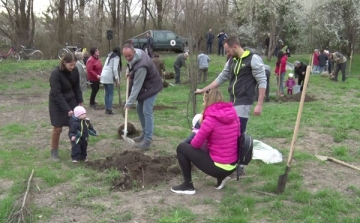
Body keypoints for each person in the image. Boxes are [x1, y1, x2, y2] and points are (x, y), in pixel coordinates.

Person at [171, 89, 240, 195]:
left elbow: (195, 144)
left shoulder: (210, 120)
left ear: (208, 102)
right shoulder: (234, 116)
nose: (203, 104)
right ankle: (221, 179)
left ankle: (188, 185)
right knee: (219, 146)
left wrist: (197, 133)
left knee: (182, 148)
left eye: (204, 101)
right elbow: (236, 137)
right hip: (232, 165)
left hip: (219, 168)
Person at [195, 36, 267, 135]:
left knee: (238, 132)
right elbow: (220, 78)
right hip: (233, 100)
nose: (227, 54)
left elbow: (262, 81)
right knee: (232, 132)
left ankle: (241, 149)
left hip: (244, 100)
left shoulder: (253, 59)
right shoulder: (231, 61)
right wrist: (203, 90)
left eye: (228, 51)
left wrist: (259, 104)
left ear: (235, 47)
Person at [122, 43, 163, 150]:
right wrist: (128, 71)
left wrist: (129, 103)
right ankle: (144, 134)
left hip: (152, 87)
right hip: (145, 87)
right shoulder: (135, 54)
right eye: (125, 56)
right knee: (139, 109)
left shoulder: (141, 66)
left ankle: (147, 140)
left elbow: (136, 86)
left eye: (129, 56)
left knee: (146, 110)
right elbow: (130, 65)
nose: (127, 58)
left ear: (133, 52)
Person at [49, 53, 83, 160]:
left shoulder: (75, 71)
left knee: (74, 126)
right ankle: (54, 151)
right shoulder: (56, 74)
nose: (73, 67)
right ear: (64, 62)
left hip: (71, 100)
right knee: (57, 127)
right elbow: (57, 93)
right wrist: (67, 109)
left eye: (74, 65)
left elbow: (77, 86)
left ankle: (76, 149)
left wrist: (79, 100)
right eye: (70, 65)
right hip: (57, 103)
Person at [100, 47, 122, 115]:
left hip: (103, 74)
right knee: (110, 93)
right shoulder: (116, 57)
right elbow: (115, 69)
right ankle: (109, 109)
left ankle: (107, 108)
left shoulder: (109, 56)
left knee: (107, 93)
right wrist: (117, 79)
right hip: (108, 75)